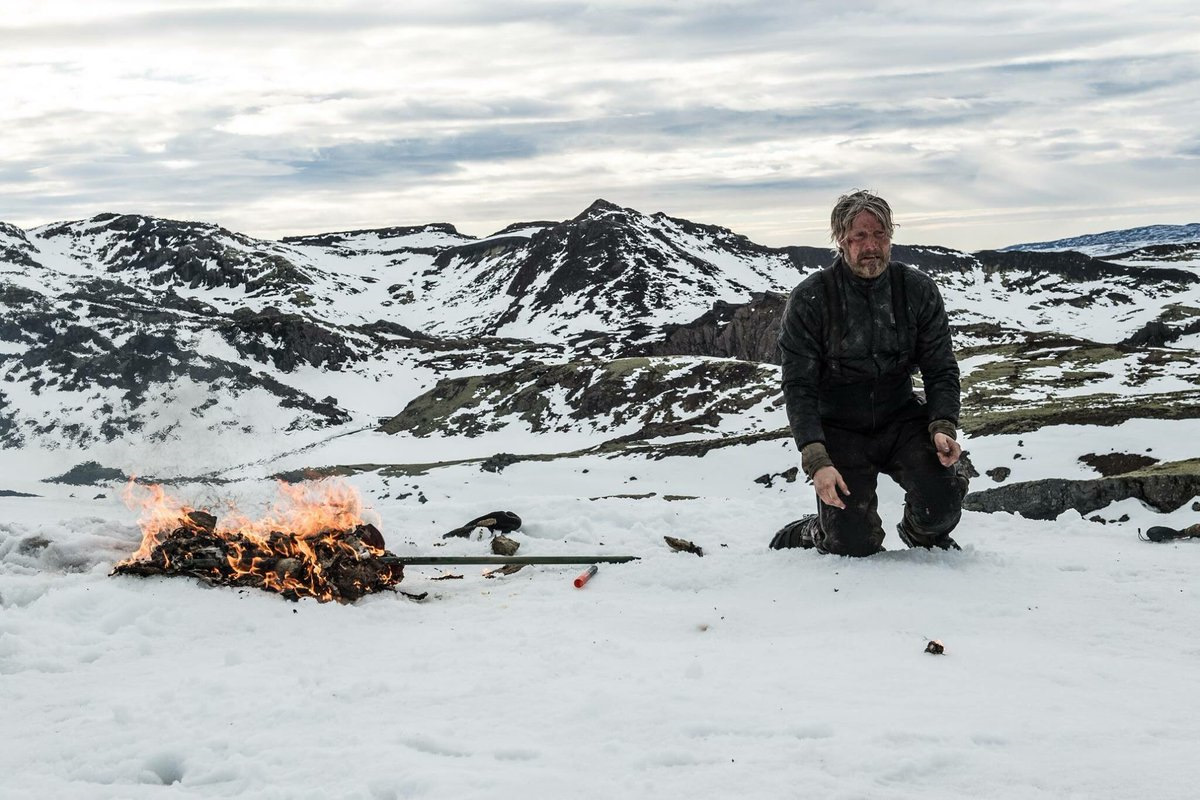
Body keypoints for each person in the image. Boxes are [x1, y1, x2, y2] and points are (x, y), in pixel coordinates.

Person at [771, 190, 966, 556]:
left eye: (880, 235)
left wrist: (942, 425)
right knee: (851, 543)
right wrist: (817, 460)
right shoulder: (811, 298)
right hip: (840, 428)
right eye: (860, 236)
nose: (871, 246)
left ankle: (920, 534)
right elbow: (798, 386)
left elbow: (940, 367)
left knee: (941, 504)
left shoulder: (916, 290)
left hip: (900, 418)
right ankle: (814, 530)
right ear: (841, 240)